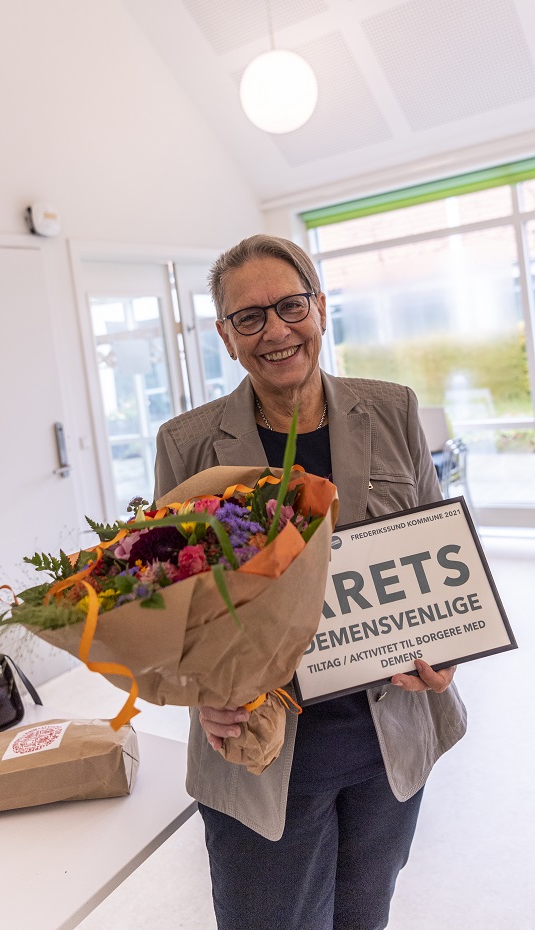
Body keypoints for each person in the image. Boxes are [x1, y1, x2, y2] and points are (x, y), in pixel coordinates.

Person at [154, 234, 466, 930]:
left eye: (290, 305)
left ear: (321, 308)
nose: (275, 330)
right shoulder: (187, 445)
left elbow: (436, 552)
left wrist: (446, 645)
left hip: (387, 741)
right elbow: (173, 608)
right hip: (262, 753)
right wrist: (200, 695)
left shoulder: (392, 410)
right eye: (249, 317)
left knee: (364, 915)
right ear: (225, 336)